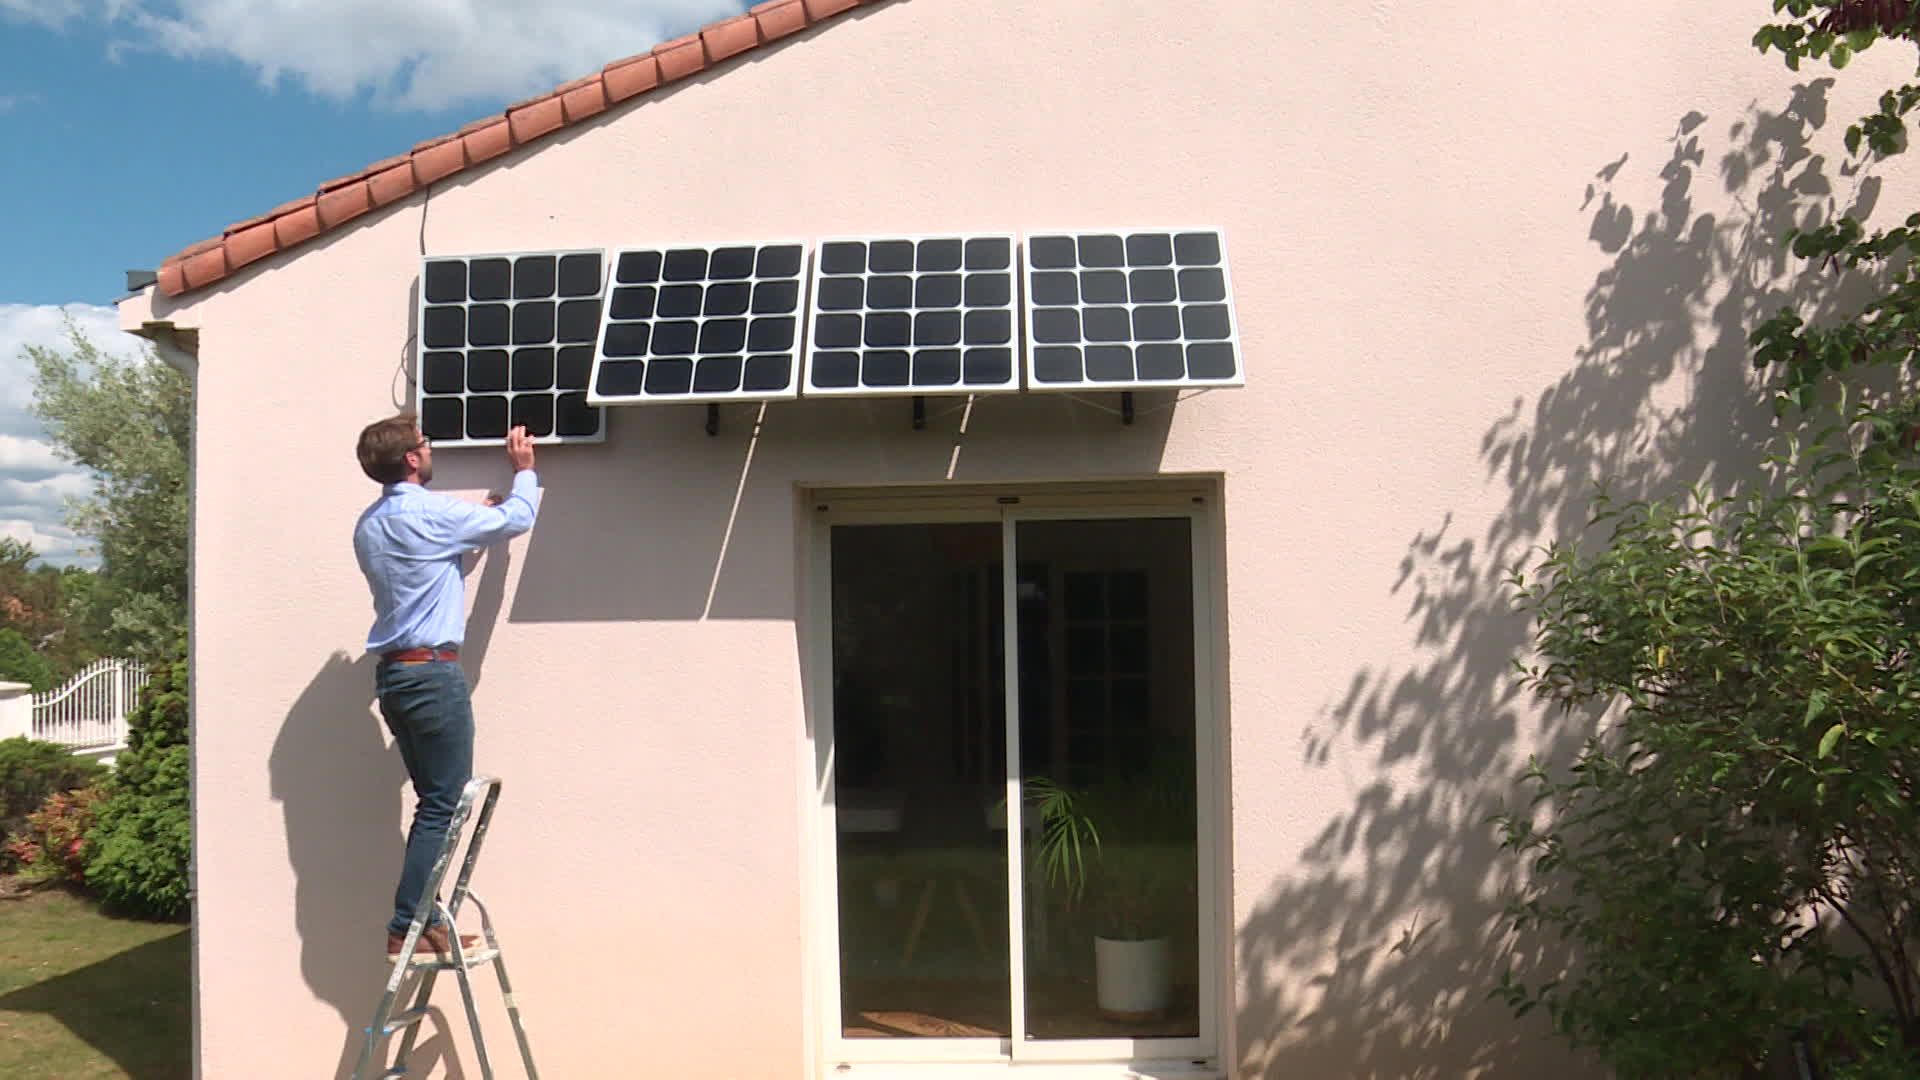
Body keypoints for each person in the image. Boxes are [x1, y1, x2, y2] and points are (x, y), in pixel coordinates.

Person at [352, 415, 540, 964]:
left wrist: (469, 527)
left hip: (395, 677)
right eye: (425, 444)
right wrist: (524, 469)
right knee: (444, 804)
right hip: (432, 675)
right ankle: (408, 924)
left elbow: (428, 566)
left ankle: (425, 920)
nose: (431, 449)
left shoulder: (369, 525)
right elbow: (518, 518)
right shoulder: (432, 514)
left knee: (433, 804)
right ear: (412, 459)